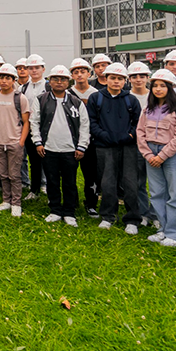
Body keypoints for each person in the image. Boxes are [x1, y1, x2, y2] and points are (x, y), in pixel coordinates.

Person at [137, 70, 176, 247]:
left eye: (163, 86)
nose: (158, 89)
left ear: (171, 88)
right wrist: (148, 154)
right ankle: (164, 228)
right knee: (157, 193)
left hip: (173, 154)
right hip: (151, 153)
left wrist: (161, 156)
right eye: (155, 86)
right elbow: (140, 132)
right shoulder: (147, 109)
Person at [87, 62, 143, 234]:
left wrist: (130, 136)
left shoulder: (131, 99)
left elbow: (138, 123)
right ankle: (108, 216)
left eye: (120, 78)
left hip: (128, 146)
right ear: (106, 78)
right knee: (107, 182)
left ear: (125, 80)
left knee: (130, 183)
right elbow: (91, 122)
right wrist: (104, 136)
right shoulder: (96, 98)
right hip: (104, 146)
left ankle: (132, 219)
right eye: (113, 78)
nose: (116, 81)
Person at [31, 65, 89, 227]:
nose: (59, 82)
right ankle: (55, 210)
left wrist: (81, 146)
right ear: (50, 81)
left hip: (70, 150)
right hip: (48, 149)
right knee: (52, 181)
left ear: (68, 82)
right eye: (55, 79)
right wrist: (38, 142)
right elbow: (34, 122)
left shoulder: (76, 102)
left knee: (70, 182)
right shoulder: (41, 100)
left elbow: (85, 125)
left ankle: (69, 212)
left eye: (63, 79)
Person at [0, 64, 29, 216]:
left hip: (14, 142)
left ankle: (16, 203)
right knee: (3, 174)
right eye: (2, 78)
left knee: (14, 175)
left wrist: (21, 142)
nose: (4, 81)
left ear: (13, 80)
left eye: (7, 78)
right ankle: (6, 200)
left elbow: (26, 122)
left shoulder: (20, 98)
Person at [69, 58, 100, 217]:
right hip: (71, 139)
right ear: (72, 75)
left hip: (91, 140)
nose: (80, 75)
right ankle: (72, 202)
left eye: (83, 71)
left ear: (89, 73)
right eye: (76, 72)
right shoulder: (68, 93)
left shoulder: (96, 93)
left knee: (91, 174)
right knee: (70, 173)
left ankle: (91, 203)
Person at [127, 60, 155, 226]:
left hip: (155, 143)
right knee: (138, 182)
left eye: (142, 76)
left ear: (147, 77)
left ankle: (157, 215)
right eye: (134, 76)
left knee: (157, 183)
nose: (138, 79)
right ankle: (143, 213)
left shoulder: (155, 95)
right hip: (135, 144)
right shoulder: (126, 97)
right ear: (129, 78)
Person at [20, 53, 48, 199]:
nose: (34, 70)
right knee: (34, 161)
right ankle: (34, 189)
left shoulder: (49, 86)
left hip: (47, 129)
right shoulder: (23, 88)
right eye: (31, 68)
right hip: (30, 128)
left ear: (43, 69)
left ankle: (47, 186)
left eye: (37, 67)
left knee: (49, 160)